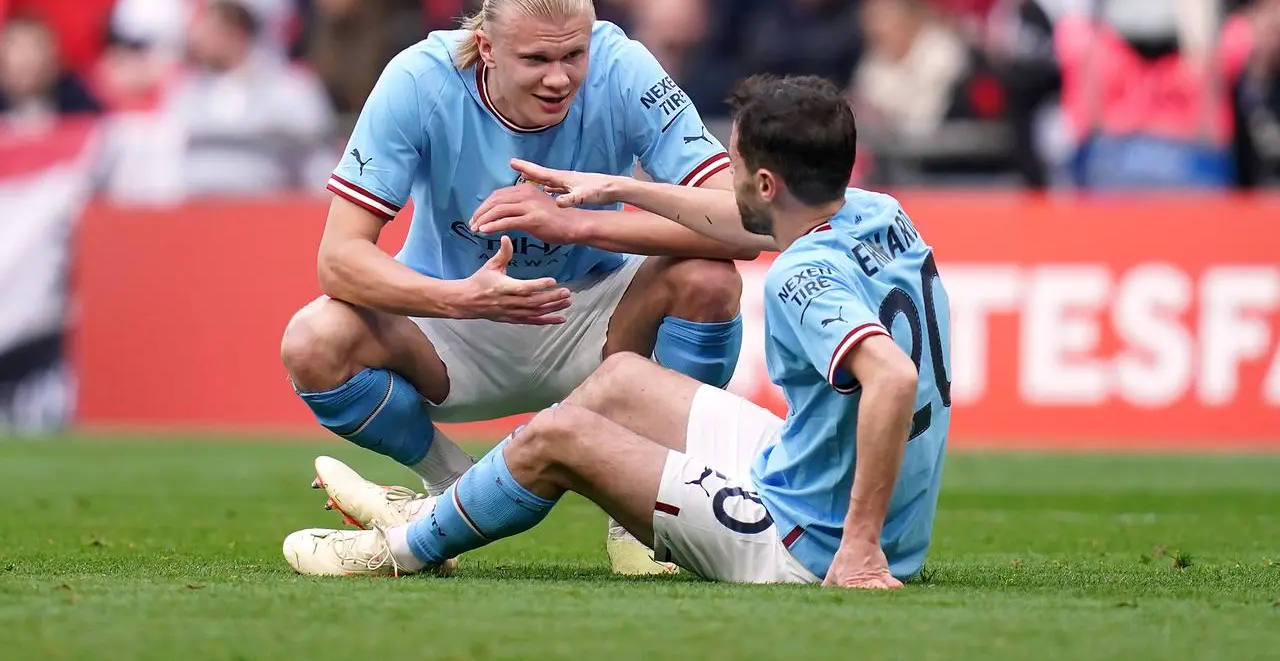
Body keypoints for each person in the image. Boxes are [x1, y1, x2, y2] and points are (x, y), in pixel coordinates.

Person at [283, 74, 953, 589]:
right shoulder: (878, 210)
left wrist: (858, 545)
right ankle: (447, 506)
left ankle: (400, 547)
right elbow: (734, 218)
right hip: (820, 478)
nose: (728, 181)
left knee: (556, 436)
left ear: (768, 183)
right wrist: (615, 190)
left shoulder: (799, 275)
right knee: (621, 382)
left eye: (736, 167)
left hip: (805, 537)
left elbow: (890, 377)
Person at [280, 0, 755, 576]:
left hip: (597, 318)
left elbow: (744, 224)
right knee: (313, 340)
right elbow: (339, 261)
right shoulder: (418, 79)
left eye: (573, 56)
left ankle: (644, 515)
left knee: (709, 279)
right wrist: (462, 298)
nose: (560, 79)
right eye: (536, 60)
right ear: (486, 47)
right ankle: (449, 486)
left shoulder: (623, 65)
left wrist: (576, 222)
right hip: (453, 322)